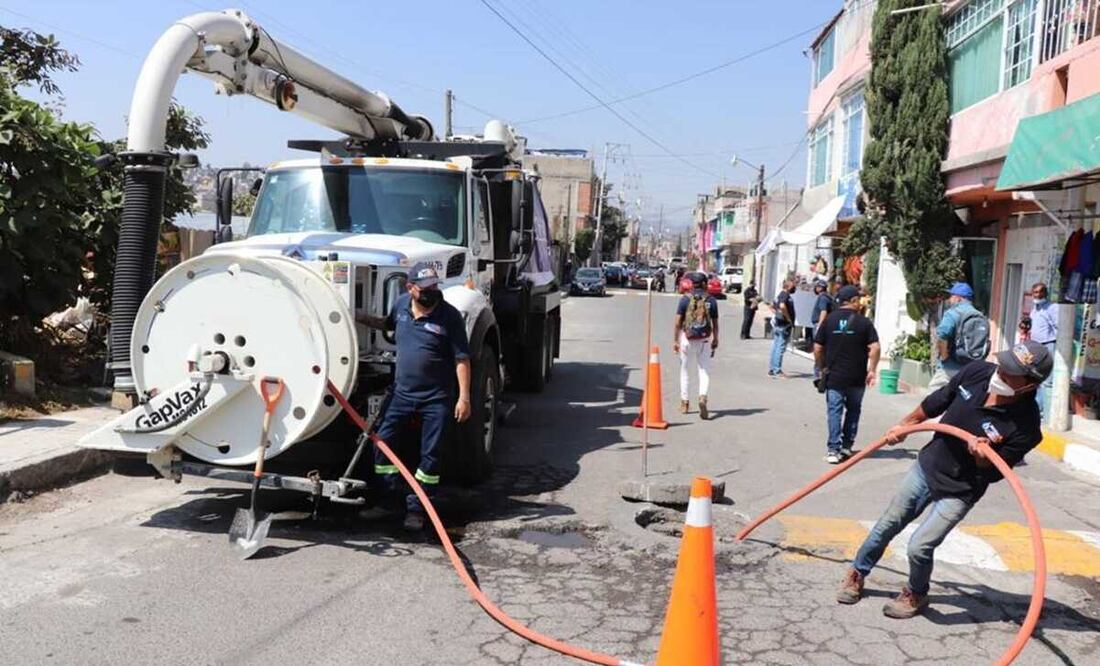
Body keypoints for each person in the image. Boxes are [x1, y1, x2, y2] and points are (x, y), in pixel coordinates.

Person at [836, 340, 1052, 618]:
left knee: (920, 546)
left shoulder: (1026, 427)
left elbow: (994, 473)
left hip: (961, 490)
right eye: (1004, 365)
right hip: (929, 466)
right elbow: (936, 402)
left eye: (1011, 372)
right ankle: (857, 571)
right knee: (888, 523)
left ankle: (916, 593)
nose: (1001, 373)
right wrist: (905, 426)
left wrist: (981, 455)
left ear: (1029, 385)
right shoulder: (977, 373)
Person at [357, 262, 471, 531]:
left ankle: (417, 509)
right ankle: (387, 502)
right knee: (382, 445)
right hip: (402, 395)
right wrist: (356, 316)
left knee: (430, 457)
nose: (432, 292)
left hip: (437, 398)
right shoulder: (400, 306)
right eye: (426, 288)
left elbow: (462, 359)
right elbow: (385, 324)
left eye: (435, 286)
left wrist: (463, 397)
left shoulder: (449, 316)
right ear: (410, 288)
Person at [814, 286, 881, 464]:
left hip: (834, 376)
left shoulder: (829, 321)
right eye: (858, 299)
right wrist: (872, 369)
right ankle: (846, 446)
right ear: (852, 301)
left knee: (834, 411)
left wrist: (822, 367)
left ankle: (833, 450)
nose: (860, 302)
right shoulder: (864, 323)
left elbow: (818, 347)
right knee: (853, 410)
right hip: (857, 377)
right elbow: (875, 347)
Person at [673, 272, 719, 419]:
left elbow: (677, 323)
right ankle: (702, 397)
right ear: (705, 284)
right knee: (704, 371)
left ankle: (685, 403)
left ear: (692, 284)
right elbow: (715, 323)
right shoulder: (711, 300)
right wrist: (716, 339)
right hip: (704, 340)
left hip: (687, 339)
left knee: (685, 370)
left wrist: (675, 340)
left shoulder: (685, 299)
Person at [929, 282, 988, 391]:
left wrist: (944, 357)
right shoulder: (980, 315)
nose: (950, 299)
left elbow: (942, 336)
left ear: (958, 298)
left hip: (950, 368)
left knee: (934, 399)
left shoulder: (953, 313)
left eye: (951, 296)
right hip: (971, 368)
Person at [1028, 283, 1057, 421]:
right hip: (1036, 346)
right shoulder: (1035, 308)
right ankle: (1036, 410)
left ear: (1046, 293)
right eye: (1035, 292)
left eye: (1040, 292)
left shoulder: (1052, 308)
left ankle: (1046, 415)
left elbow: (1059, 327)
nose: (1037, 295)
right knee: (1035, 379)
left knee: (1047, 381)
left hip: (1048, 345)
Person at [769, 278, 796, 378]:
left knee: (776, 347)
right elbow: (782, 306)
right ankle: (777, 370)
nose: (794, 288)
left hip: (779, 324)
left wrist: (777, 313)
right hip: (783, 325)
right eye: (793, 286)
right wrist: (788, 318)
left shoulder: (780, 295)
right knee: (780, 347)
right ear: (788, 286)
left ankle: (772, 369)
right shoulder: (785, 295)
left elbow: (772, 306)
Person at [811, 280, 835, 380]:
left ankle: (819, 372)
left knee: (818, 350)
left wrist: (819, 326)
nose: (815, 288)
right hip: (823, 325)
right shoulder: (827, 297)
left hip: (820, 325)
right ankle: (820, 371)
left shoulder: (823, 298)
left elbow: (823, 311)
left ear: (819, 288)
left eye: (816, 286)